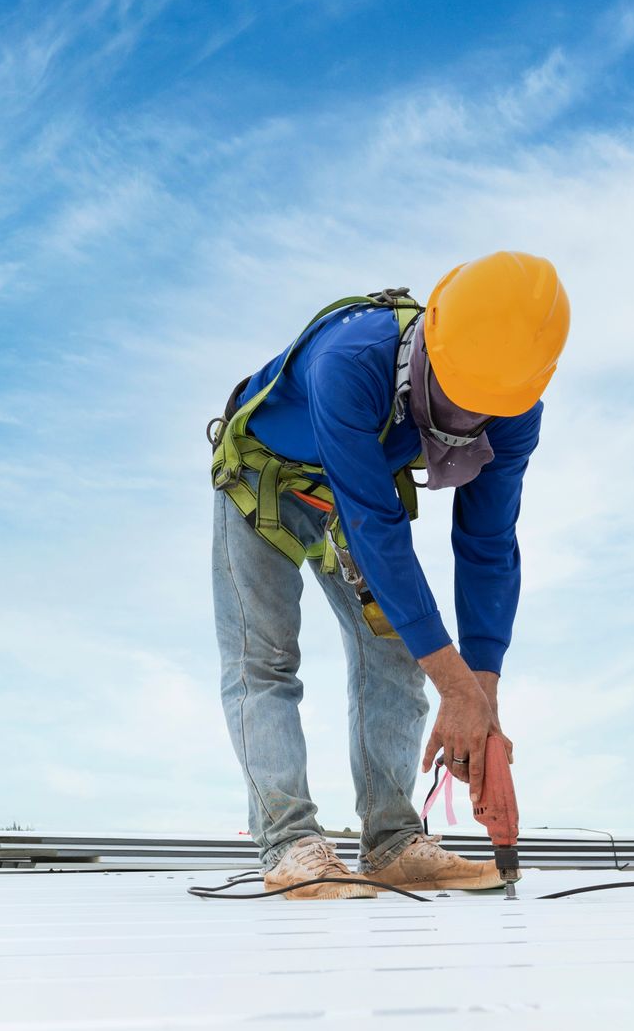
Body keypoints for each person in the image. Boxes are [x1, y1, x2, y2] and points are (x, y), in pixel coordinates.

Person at [208, 252, 569, 899]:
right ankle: (291, 843)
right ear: (430, 342)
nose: (467, 423)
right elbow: (376, 527)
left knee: (396, 655)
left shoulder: (515, 406)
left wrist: (480, 696)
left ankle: (393, 842)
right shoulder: (350, 359)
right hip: (261, 478)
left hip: (355, 493)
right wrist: (455, 686)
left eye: (486, 410)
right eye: (458, 401)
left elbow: (488, 542)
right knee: (263, 662)